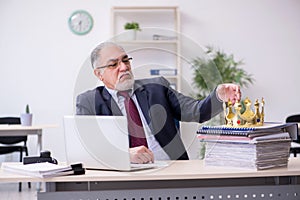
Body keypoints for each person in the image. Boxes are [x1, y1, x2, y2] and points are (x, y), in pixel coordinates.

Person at [76, 42, 241, 164]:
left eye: (126, 61)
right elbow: (87, 151)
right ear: (99, 74)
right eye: (114, 64)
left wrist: (219, 96)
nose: (124, 67)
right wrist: (124, 155)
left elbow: (196, 111)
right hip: (123, 177)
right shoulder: (89, 101)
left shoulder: (157, 87)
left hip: (170, 171)